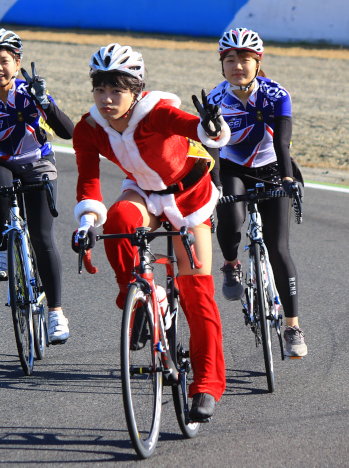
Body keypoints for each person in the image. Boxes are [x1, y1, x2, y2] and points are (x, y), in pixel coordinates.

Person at [71, 43, 231, 421]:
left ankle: (208, 384)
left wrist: (210, 126)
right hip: (144, 192)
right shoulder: (89, 128)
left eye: (117, 90)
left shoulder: (156, 112)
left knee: (196, 291)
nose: (107, 99)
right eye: (100, 89)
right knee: (118, 221)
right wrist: (85, 222)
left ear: (136, 90)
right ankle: (145, 295)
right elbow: (89, 183)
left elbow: (189, 125)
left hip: (190, 196)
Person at [0, 28, 74, 344]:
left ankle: (55, 312)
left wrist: (46, 103)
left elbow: (67, 133)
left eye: (4, 61)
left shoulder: (30, 92)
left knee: (42, 237)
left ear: (17, 62)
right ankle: (1, 248)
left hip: (38, 162)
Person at [207, 28, 307, 357]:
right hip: (233, 169)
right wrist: (216, 186)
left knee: (278, 249)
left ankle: (292, 327)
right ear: (222, 64)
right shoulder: (214, 100)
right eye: (230, 59)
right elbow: (214, 151)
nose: (238, 65)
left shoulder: (277, 95)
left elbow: (282, 143)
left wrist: (289, 179)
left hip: (274, 168)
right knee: (230, 218)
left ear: (258, 61)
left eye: (245, 59)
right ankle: (232, 263)